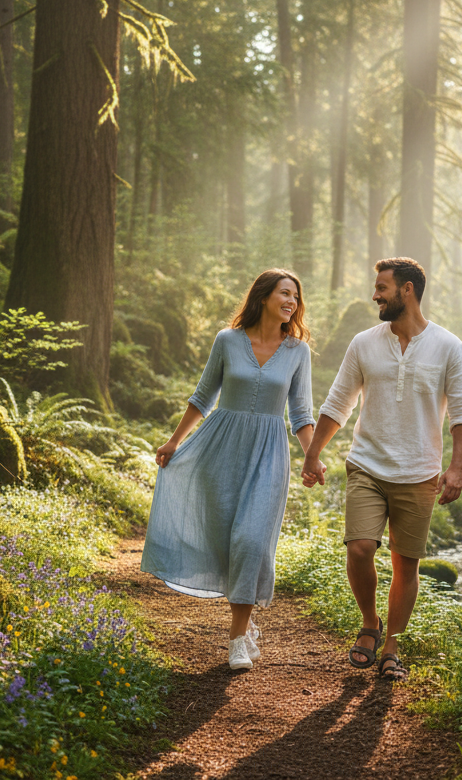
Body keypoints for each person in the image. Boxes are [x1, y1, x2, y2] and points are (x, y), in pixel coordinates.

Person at [301, 257, 462, 682]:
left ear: (408, 290)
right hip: (367, 465)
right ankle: (369, 623)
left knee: (405, 565)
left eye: (382, 287)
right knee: (360, 549)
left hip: (420, 473)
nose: (375, 294)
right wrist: (313, 453)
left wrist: (455, 469)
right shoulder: (364, 342)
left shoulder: (449, 346)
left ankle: (392, 646)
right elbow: (338, 402)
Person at [141, 269, 319, 671]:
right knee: (227, 540)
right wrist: (174, 441)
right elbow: (204, 397)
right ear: (263, 296)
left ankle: (237, 638)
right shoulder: (227, 341)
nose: (291, 301)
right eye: (284, 293)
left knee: (251, 541)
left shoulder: (298, 352)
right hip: (220, 448)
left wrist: (312, 456)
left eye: (295, 295)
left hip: (269, 454)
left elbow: (302, 413)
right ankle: (246, 620)